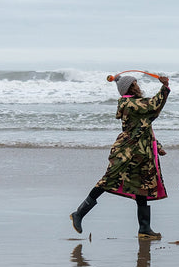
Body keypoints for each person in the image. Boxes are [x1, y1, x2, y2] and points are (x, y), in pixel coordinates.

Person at [70, 74, 170, 239]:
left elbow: (143, 127)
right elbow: (154, 105)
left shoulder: (135, 104)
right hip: (127, 152)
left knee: (142, 188)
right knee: (108, 180)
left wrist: (157, 146)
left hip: (141, 152)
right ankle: (79, 213)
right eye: (135, 84)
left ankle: (144, 229)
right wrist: (165, 86)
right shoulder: (130, 103)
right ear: (131, 87)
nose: (138, 86)